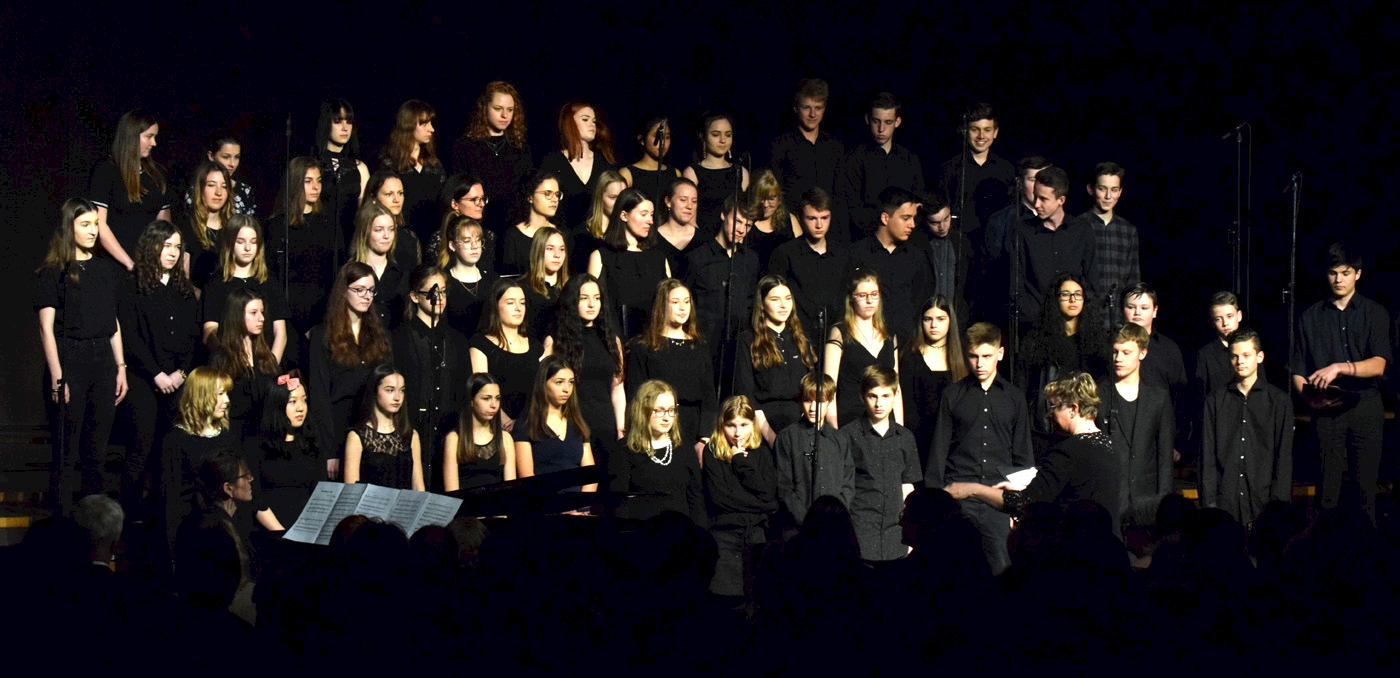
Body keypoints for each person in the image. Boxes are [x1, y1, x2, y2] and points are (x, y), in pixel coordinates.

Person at [945, 372, 1124, 538]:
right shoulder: (1109, 445)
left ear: (1073, 409)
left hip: (1076, 550)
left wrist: (972, 489)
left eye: (1053, 406)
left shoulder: (1068, 451)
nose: (1048, 414)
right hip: (1105, 548)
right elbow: (1071, 490)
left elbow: (1023, 503)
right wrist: (1027, 487)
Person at [35, 199, 129, 514]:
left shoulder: (106, 269)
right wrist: (57, 376)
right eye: (85, 224)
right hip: (70, 358)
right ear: (69, 227)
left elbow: (112, 322)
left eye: (95, 224)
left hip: (102, 359)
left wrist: (120, 366)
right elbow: (46, 328)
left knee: (97, 452)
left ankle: (95, 527)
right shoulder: (54, 271)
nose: (93, 231)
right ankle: (61, 523)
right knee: (66, 453)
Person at [1290, 241, 1390, 520]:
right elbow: (1297, 369)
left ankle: (1366, 542)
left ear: (1358, 274)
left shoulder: (1374, 313)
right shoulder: (1311, 316)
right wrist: (1310, 399)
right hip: (1327, 408)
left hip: (1365, 405)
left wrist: (1339, 368)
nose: (1338, 279)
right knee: (1326, 492)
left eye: (1345, 273)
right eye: (1333, 273)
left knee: (1365, 491)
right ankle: (1324, 544)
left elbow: (1380, 363)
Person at [926, 322, 1034, 574]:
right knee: (951, 572)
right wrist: (935, 503)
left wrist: (1019, 509)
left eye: (986, 356)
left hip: (998, 502)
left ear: (1000, 353)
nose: (980, 363)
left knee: (1001, 572)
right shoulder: (952, 395)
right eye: (974, 356)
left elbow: (1023, 457)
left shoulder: (1014, 397)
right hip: (957, 499)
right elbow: (938, 453)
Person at [120, 220, 200, 516]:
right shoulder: (132, 285)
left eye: (177, 247)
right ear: (151, 246)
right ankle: (129, 517)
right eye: (167, 246)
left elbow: (193, 337)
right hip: (143, 377)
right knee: (141, 446)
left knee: (169, 450)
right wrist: (156, 374)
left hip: (177, 378)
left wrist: (180, 373)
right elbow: (130, 336)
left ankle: (163, 515)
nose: (173, 252)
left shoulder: (183, 289)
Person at [393, 265, 471, 490]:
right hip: (411, 429)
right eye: (433, 293)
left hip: (448, 431)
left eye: (444, 292)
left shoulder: (457, 340)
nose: (440, 298)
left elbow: (465, 388)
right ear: (414, 296)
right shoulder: (399, 338)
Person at [1204, 328, 1293, 526]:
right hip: (1226, 501)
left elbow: (1283, 458)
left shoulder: (1278, 401)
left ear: (1259, 357)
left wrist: (1279, 505)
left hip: (1264, 501)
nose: (1240, 361)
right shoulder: (1215, 400)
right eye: (1234, 356)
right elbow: (1207, 456)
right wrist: (1209, 504)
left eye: (1246, 355)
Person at [308, 262, 393, 460]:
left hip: (373, 427)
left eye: (371, 290)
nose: (367, 296)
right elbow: (319, 395)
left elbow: (389, 381)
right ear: (343, 292)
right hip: (338, 430)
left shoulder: (380, 334)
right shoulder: (323, 335)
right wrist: (329, 452)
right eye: (359, 290)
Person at [625, 279, 718, 458]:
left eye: (686, 302)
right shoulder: (644, 347)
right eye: (675, 302)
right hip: (656, 428)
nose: (683, 308)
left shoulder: (699, 346)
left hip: (694, 430)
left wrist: (704, 439)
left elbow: (709, 397)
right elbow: (635, 396)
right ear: (662, 306)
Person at [1096, 322, 1175, 530]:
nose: (1118, 358)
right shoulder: (1099, 394)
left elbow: (1165, 456)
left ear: (1142, 353)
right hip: (1109, 495)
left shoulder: (1158, 398)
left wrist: (1164, 501)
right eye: (1115, 352)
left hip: (1146, 499)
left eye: (1126, 352)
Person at [545, 274, 626, 467]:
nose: (592, 304)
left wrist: (621, 428)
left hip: (606, 426)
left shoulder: (611, 340)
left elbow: (617, 388)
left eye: (597, 298)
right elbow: (546, 387)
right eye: (584, 298)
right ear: (572, 301)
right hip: (572, 425)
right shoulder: (556, 340)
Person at [268, 155, 342, 365]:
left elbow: (336, 270)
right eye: (308, 181)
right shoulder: (278, 226)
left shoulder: (328, 223)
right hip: (289, 317)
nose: (315, 187)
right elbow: (273, 276)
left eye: (318, 181)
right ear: (295, 183)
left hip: (324, 315)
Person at [702, 395, 778, 597]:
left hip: (757, 534)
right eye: (731, 425)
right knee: (726, 599)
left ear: (752, 424)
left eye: (744, 425)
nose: (737, 433)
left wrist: (740, 462)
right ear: (722, 425)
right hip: (725, 534)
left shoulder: (761, 452)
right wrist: (764, 505)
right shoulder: (712, 452)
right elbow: (720, 498)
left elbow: (768, 492)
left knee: (758, 598)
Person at [842, 365, 920, 561]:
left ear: (895, 395)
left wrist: (911, 536)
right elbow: (843, 487)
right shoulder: (847, 436)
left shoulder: (905, 437)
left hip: (896, 537)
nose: (879, 404)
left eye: (885, 396)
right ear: (862, 397)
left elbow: (908, 486)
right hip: (860, 534)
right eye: (873, 396)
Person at [1021, 272, 1110, 439]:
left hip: (1086, 419)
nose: (1072, 299)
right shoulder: (1038, 340)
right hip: (1049, 423)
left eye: (1077, 294)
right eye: (1065, 294)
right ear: (1056, 299)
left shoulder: (1097, 340)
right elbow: (1027, 385)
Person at [162, 367, 240, 547]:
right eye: (220, 394)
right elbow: (171, 499)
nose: (227, 400)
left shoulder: (227, 436)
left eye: (226, 393)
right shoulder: (176, 440)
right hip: (191, 533)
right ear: (201, 395)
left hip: (226, 529)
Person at [608, 380, 703, 523]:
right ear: (643, 410)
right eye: (659, 410)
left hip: (681, 531)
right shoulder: (624, 450)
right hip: (641, 531)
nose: (667, 417)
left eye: (671, 410)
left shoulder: (683, 448)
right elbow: (618, 504)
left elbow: (696, 499)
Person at [735, 275, 815, 444]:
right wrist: (771, 438)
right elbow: (746, 393)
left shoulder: (800, 339)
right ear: (762, 304)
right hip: (763, 425)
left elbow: (810, 389)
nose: (783, 305)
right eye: (775, 299)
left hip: (800, 425)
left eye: (787, 298)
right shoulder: (748, 339)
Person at [685, 194, 760, 371]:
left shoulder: (751, 260)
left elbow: (753, 303)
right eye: (737, 221)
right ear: (723, 215)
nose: (741, 229)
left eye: (748, 225)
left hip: (739, 349)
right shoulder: (697, 258)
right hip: (704, 347)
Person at [201, 215, 290, 363]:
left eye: (253, 242)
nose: (248, 248)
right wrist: (225, 360)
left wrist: (272, 365)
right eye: (240, 242)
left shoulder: (269, 282)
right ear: (229, 243)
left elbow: (280, 332)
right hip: (229, 363)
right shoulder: (216, 284)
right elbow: (209, 331)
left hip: (264, 362)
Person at [90, 109, 172, 270]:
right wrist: (130, 264)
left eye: (155, 137)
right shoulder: (107, 171)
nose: (154, 143)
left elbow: (164, 225)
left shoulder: (156, 174)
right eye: (149, 136)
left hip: (148, 265)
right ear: (132, 136)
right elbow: (100, 225)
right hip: (114, 265)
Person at [836, 92, 924, 241]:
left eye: (888, 122)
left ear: (897, 122)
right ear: (868, 119)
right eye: (876, 121)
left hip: (904, 243)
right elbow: (849, 208)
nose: (881, 129)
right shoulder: (853, 159)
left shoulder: (909, 160)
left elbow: (918, 204)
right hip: (864, 242)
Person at [1015, 166, 1098, 324]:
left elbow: (1091, 280)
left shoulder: (1082, 230)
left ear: (1061, 200)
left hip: (1074, 323)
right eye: (1035, 196)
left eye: (1043, 199)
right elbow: (1018, 283)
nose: (1036, 204)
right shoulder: (1024, 231)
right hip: (1035, 323)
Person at [773, 373, 855, 534]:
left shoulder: (840, 439)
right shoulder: (787, 437)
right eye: (807, 400)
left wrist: (834, 518)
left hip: (833, 529)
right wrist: (808, 522)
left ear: (829, 402)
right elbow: (784, 488)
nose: (812, 408)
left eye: (819, 402)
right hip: (798, 530)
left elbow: (848, 485)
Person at [586, 187, 673, 336]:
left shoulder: (659, 258)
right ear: (624, 215)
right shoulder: (601, 256)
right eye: (643, 214)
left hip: (653, 340)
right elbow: (593, 306)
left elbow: (669, 303)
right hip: (614, 339)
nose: (650, 221)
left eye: (651, 215)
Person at [848, 186, 929, 342]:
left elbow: (921, 299)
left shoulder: (916, 257)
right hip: (867, 341)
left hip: (907, 343)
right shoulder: (857, 253)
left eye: (913, 218)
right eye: (906, 218)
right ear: (885, 218)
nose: (912, 224)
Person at [452, 81, 533, 235]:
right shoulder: (465, 146)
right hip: (477, 227)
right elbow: (459, 191)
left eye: (510, 110)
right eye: (498, 109)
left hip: (514, 227)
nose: (505, 115)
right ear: (484, 108)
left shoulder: (520, 147)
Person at [823, 269, 900, 429]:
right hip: (850, 419)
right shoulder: (839, 333)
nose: (869, 300)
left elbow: (895, 388)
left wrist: (900, 430)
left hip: (885, 420)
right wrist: (835, 429)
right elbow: (829, 388)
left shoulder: (889, 335)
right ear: (851, 297)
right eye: (862, 295)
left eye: (874, 294)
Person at [246, 371, 323, 530]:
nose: (301, 408)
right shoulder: (257, 445)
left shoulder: (311, 442)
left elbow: (319, 493)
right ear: (277, 405)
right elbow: (256, 498)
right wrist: (282, 534)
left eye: (304, 400)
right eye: (293, 401)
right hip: (270, 532)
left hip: (306, 529)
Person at [983, 156, 1052, 329]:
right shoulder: (1001, 221)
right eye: (1033, 180)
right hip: (1015, 316)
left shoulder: (1060, 221)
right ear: (1020, 183)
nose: (1038, 186)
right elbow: (994, 273)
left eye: (1044, 180)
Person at [468, 279, 546, 432]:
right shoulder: (480, 344)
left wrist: (527, 423)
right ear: (495, 306)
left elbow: (542, 391)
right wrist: (504, 422)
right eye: (510, 303)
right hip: (495, 426)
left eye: (522, 303)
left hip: (531, 425)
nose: (518, 308)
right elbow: (482, 391)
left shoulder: (535, 345)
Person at [899, 295, 967, 472]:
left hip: (953, 444)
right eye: (928, 319)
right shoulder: (910, 358)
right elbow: (906, 407)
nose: (934, 325)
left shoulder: (962, 358)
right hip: (918, 442)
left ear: (950, 321)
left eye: (940, 319)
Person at [769, 187, 848, 336]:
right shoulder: (785, 254)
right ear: (800, 218)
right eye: (812, 218)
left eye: (824, 218)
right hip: (796, 336)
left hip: (835, 336)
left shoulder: (842, 254)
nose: (819, 225)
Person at [207, 288, 280, 439]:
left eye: (262, 312)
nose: (261, 318)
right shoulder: (221, 358)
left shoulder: (266, 356)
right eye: (253, 313)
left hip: (265, 437)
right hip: (233, 437)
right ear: (237, 315)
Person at [514, 355, 597, 487]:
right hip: (544, 497)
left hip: (579, 498)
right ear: (543, 384)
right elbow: (527, 478)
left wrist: (582, 500)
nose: (566, 389)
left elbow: (590, 475)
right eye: (559, 382)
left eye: (571, 382)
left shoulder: (578, 424)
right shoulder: (526, 425)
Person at [938, 102, 1014, 241]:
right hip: (959, 242)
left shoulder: (1006, 169)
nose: (981, 136)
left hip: (996, 243)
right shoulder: (950, 168)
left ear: (995, 132)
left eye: (987, 130)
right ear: (965, 131)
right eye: (975, 129)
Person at [768, 78, 844, 215]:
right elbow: (776, 192)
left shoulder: (834, 146)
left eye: (818, 108)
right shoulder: (781, 145)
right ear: (796, 108)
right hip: (792, 221)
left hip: (828, 222)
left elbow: (840, 195)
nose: (812, 114)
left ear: (824, 109)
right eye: (806, 108)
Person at [343, 364, 424, 491]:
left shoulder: (410, 435)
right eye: (390, 390)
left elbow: (418, 487)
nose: (397, 397)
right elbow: (351, 491)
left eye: (402, 390)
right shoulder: (357, 436)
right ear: (374, 391)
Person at [539, 100, 618, 228]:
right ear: (569, 122)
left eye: (594, 121)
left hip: (597, 235)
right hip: (561, 235)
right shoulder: (552, 162)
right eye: (585, 119)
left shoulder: (604, 163)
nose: (592, 124)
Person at [380, 100, 446, 245]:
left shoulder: (434, 165)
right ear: (408, 124)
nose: (431, 129)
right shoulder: (390, 164)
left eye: (431, 123)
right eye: (424, 124)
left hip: (432, 237)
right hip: (401, 237)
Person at [442, 373, 517, 491]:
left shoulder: (505, 438)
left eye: (497, 398)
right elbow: (452, 492)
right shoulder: (454, 439)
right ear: (471, 401)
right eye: (486, 398)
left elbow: (510, 488)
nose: (494, 405)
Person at [910, 190, 972, 329]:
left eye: (946, 219)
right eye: (935, 223)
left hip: (955, 320)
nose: (943, 227)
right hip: (924, 320)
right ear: (925, 220)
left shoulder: (960, 241)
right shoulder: (915, 244)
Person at [315, 98, 372, 246]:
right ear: (327, 123)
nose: (345, 128)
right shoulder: (313, 165)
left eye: (349, 121)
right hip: (317, 241)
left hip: (350, 243)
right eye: (338, 121)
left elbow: (365, 214)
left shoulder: (360, 168)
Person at [683, 111, 749, 234]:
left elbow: (744, 212)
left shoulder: (741, 172)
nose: (723, 140)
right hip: (703, 238)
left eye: (728, 135)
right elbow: (689, 216)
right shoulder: (693, 172)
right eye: (715, 135)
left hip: (734, 237)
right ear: (703, 136)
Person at [1082, 162, 1140, 299]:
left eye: (1114, 190)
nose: (1108, 196)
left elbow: (1133, 278)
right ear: (1090, 189)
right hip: (1087, 307)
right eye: (1102, 189)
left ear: (1120, 192)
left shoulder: (1128, 231)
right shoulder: (1078, 226)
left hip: (1119, 308)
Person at [348, 202, 410, 328]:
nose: (387, 236)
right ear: (365, 231)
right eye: (379, 230)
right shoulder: (349, 273)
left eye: (391, 229)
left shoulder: (401, 274)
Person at [1121, 283, 1186, 400]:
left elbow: (1180, 392)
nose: (1137, 312)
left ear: (1155, 311)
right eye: (1131, 307)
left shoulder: (1168, 348)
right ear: (1122, 309)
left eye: (1144, 308)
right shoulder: (1112, 346)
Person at [437, 213, 498, 338]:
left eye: (478, 240)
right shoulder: (444, 282)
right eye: (467, 241)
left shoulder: (492, 280)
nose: (474, 246)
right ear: (452, 245)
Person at [618, 114, 682, 221]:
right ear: (642, 140)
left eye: (667, 137)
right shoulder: (628, 174)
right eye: (657, 136)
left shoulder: (675, 173)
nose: (663, 142)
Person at [500, 170, 564, 277]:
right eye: (547, 194)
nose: (555, 200)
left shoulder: (562, 234)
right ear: (530, 197)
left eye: (557, 195)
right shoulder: (513, 236)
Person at [181, 160, 233, 288]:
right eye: (211, 185)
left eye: (224, 186)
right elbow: (183, 278)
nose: (219, 192)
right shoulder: (186, 226)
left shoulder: (234, 227)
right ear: (200, 188)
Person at [362, 169, 423, 277]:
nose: (396, 200)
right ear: (373, 198)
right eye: (389, 194)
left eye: (400, 193)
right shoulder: (362, 233)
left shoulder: (409, 238)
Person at [429, 173, 496, 271]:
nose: (481, 204)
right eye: (474, 199)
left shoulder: (488, 236)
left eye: (482, 199)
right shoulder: (440, 239)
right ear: (455, 204)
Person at [1194, 290, 1248, 403]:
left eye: (1229, 316)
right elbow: (1200, 396)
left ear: (1239, 316)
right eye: (1218, 319)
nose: (1225, 323)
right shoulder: (1206, 354)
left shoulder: (1250, 348)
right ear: (1212, 322)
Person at [185, 130, 256, 216]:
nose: (232, 164)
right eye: (226, 157)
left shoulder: (244, 191)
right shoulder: (196, 189)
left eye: (237, 157)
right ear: (211, 156)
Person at [571, 169, 627, 274]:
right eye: (613, 197)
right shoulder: (582, 236)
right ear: (600, 197)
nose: (620, 203)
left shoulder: (628, 233)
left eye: (623, 197)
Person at [519, 225, 570, 338]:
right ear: (538, 251)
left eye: (562, 249)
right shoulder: (523, 289)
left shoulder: (571, 287)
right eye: (550, 249)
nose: (557, 255)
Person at [653, 178, 709, 279]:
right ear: (668, 201)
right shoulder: (652, 239)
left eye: (694, 201)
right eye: (683, 200)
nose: (689, 206)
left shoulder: (704, 241)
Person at [746, 169, 801, 269]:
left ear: (779, 198)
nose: (766, 205)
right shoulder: (746, 223)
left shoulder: (790, 220)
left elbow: (801, 256)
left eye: (771, 198)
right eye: (761, 198)